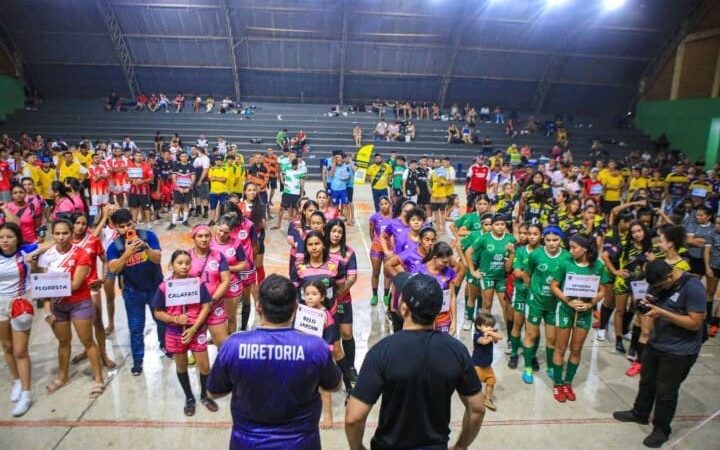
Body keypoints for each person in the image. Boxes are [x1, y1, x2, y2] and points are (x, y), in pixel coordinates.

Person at [345, 272, 485, 450]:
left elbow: (354, 418)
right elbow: (477, 408)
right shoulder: (457, 350)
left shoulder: (382, 351)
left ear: (403, 309)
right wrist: (461, 446)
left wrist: (357, 448)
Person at [207, 274, 342, 449]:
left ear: (258, 306)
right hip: (301, 443)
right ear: (295, 307)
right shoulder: (315, 347)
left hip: (247, 442)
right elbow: (335, 385)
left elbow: (213, 392)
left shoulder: (233, 345)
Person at [613, 260, 706, 448]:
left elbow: (695, 323)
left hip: (679, 350)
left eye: (659, 285)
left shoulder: (693, 288)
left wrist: (662, 312)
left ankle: (661, 430)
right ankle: (640, 413)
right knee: (647, 381)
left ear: (670, 275)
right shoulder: (661, 283)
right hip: (657, 343)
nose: (657, 288)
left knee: (666, 392)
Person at [30, 219, 105, 398]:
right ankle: (63, 377)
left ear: (71, 234)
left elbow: (76, 284)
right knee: (63, 343)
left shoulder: (81, 254)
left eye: (65, 233)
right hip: (58, 306)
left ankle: (98, 378)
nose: (61, 237)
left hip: (79, 303)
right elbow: (41, 285)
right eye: (57, 233)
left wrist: (47, 284)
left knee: (87, 341)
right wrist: (47, 311)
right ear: (52, 234)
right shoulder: (47, 255)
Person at [153, 250, 217, 416]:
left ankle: (204, 395)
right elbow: (157, 312)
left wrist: (195, 327)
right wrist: (174, 319)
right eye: (179, 263)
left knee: (204, 366)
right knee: (181, 365)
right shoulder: (164, 287)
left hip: (196, 329)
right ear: (171, 265)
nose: (184, 266)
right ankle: (189, 398)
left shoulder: (197, 283)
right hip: (175, 332)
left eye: (187, 263)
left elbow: (206, 305)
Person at [106, 208, 166, 375]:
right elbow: (114, 269)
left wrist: (145, 248)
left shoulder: (148, 236)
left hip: (155, 287)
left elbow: (158, 258)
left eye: (129, 225)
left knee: (162, 320)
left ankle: (166, 346)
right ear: (115, 227)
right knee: (136, 328)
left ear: (134, 221)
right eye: (122, 226)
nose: (126, 230)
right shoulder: (115, 246)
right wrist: (127, 253)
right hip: (133, 292)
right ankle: (138, 361)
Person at [0, 223, 34, 416]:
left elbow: (47, 244)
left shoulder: (24, 252)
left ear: (17, 238)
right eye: (1, 237)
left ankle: (27, 395)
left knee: (21, 350)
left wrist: (32, 255)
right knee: (6, 346)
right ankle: (17, 381)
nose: (5, 240)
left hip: (19, 303)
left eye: (9, 237)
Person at [472, 312, 503, 411]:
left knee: (491, 381)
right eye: (486, 326)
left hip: (487, 365)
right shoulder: (477, 335)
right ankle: (474, 399)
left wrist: (490, 333)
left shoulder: (489, 333)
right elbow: (484, 342)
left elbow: (500, 337)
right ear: (478, 326)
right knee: (476, 384)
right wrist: (490, 335)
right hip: (478, 365)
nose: (489, 327)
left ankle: (488, 399)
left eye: (491, 326)